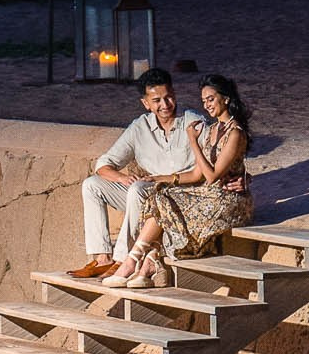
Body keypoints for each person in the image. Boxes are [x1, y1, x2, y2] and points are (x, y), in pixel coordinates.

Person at [104, 75, 254, 287]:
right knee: (160, 195)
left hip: (229, 200)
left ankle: (134, 261)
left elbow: (211, 176)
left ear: (226, 99)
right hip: (208, 194)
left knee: (168, 205)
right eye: (204, 101)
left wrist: (192, 140)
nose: (207, 105)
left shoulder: (235, 133)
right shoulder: (210, 130)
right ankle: (146, 262)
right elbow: (195, 175)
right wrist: (159, 179)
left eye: (211, 99)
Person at [71, 68, 209, 278]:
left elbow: (214, 157)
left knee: (137, 189)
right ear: (145, 103)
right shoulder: (140, 127)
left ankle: (123, 260)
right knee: (92, 185)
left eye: (169, 97)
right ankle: (102, 258)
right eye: (157, 100)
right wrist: (121, 177)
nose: (165, 105)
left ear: (174, 93)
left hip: (181, 195)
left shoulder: (192, 121)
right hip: (147, 195)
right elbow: (104, 164)